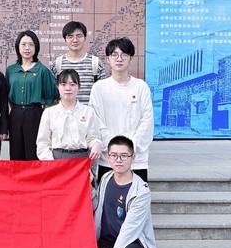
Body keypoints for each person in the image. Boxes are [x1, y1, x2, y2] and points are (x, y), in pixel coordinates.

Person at [94, 135, 158, 248]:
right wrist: (86, 185)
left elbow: (129, 230)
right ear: (108, 157)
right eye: (114, 155)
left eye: (124, 155)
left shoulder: (141, 191)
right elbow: (96, 204)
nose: (118, 160)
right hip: (107, 240)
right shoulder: (106, 178)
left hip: (131, 241)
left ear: (133, 158)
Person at [89, 38, 154, 182]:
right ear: (108, 59)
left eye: (124, 54)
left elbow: (146, 121)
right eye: (114, 54)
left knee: (136, 195)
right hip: (109, 159)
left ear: (130, 58)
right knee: (107, 195)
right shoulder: (99, 88)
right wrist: (114, 149)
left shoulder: (141, 87)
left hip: (136, 159)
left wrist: (129, 148)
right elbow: (96, 120)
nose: (119, 59)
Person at [5, 30, 59, 160]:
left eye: (31, 44)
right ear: (18, 47)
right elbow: (7, 95)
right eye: (23, 44)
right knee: (16, 153)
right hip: (15, 114)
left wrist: (44, 115)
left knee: (33, 152)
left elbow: (52, 97)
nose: (27, 48)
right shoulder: (11, 70)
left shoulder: (42, 70)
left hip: (35, 114)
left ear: (36, 47)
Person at [36, 69, 102, 166]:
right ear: (58, 86)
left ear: (79, 87)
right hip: (56, 160)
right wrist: (51, 163)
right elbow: (43, 143)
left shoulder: (88, 111)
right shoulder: (49, 113)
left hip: (81, 160)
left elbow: (93, 138)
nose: (68, 88)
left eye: (72, 84)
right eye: (63, 84)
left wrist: (96, 143)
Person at [50, 21, 106, 104]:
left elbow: (102, 93)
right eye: (70, 36)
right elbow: (53, 95)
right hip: (65, 111)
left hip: (89, 111)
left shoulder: (96, 63)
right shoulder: (57, 64)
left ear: (85, 38)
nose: (75, 40)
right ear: (65, 40)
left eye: (79, 36)